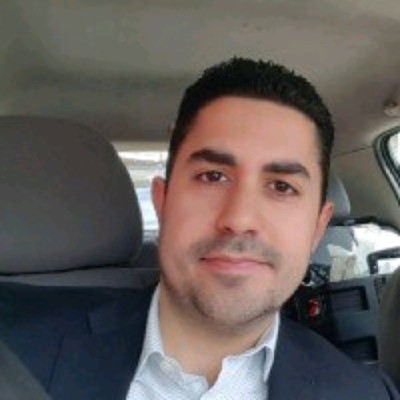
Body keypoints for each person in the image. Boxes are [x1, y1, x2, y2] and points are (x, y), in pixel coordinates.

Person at [0, 57, 398, 400]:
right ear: (163, 202)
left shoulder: (365, 394)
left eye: (281, 187)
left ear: (317, 228)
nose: (240, 219)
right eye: (212, 176)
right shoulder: (11, 345)